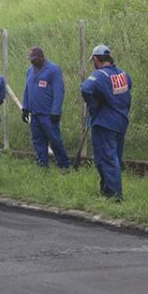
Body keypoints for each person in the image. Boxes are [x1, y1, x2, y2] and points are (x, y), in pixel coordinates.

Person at [81, 45, 132, 201]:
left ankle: (114, 196)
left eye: (93, 61)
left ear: (96, 59)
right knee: (114, 156)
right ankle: (106, 190)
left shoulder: (98, 75)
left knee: (106, 159)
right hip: (121, 120)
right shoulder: (123, 74)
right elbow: (128, 87)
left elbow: (86, 89)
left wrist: (94, 105)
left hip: (105, 123)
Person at [21, 46, 70, 170]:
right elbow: (27, 89)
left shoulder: (53, 70)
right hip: (35, 113)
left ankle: (64, 165)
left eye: (34, 59)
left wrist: (56, 110)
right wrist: (25, 107)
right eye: (30, 59)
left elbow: (59, 91)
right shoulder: (29, 71)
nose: (31, 61)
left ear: (41, 58)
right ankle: (42, 165)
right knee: (38, 140)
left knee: (55, 139)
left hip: (48, 114)